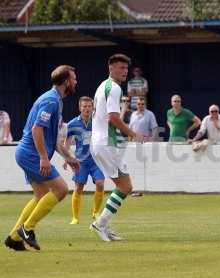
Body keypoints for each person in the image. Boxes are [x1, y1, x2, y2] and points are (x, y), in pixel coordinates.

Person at [4, 65, 80, 251]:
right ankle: (27, 229)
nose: (76, 81)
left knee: (41, 196)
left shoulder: (55, 100)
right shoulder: (51, 101)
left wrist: (68, 156)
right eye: (74, 78)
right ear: (66, 82)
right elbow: (36, 129)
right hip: (31, 153)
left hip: (26, 152)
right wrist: (43, 158)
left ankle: (14, 238)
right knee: (61, 189)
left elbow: (51, 137)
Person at [90, 53, 144, 242]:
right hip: (106, 143)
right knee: (125, 186)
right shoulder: (114, 88)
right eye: (121, 68)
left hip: (100, 142)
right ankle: (100, 223)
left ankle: (103, 223)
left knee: (125, 186)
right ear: (111, 68)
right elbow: (113, 117)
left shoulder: (102, 86)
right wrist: (132, 134)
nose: (125, 71)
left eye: (126, 68)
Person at [64, 96, 105, 225]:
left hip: (96, 160)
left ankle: (96, 212)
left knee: (100, 183)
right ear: (79, 108)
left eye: (89, 106)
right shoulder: (72, 124)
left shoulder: (98, 121)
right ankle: (75, 217)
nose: (87, 109)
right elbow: (67, 142)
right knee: (78, 188)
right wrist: (67, 157)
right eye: (84, 106)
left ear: (93, 107)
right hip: (81, 161)